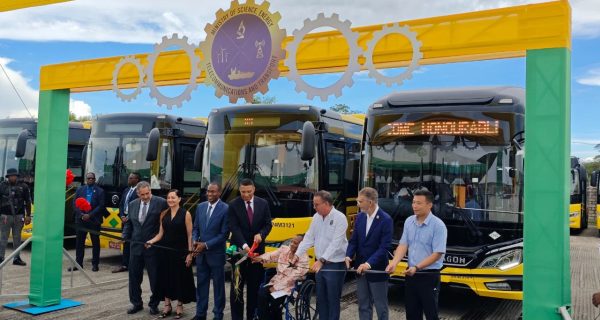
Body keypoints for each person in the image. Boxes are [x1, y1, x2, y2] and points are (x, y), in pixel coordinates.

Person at [385, 190, 447, 320]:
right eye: (413, 202)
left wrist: (417, 267)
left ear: (429, 205)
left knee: (431, 314)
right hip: (411, 275)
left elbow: (437, 254)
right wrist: (394, 263)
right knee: (412, 313)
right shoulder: (409, 221)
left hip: (428, 276)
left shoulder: (438, 226)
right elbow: (403, 245)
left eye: (419, 203)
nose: (414, 206)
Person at [293, 190, 348, 320]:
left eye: (316, 204)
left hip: (334, 265)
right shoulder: (316, 217)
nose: (314, 207)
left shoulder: (340, 218)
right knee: (321, 299)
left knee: (332, 299)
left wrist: (322, 260)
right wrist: (297, 254)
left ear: (327, 203)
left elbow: (336, 243)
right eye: (314, 204)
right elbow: (308, 238)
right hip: (320, 264)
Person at [146, 189, 196, 319]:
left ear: (179, 199)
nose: (170, 200)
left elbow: (190, 235)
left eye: (173, 198)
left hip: (180, 252)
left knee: (179, 278)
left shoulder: (186, 214)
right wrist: (151, 241)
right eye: (168, 198)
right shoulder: (164, 214)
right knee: (165, 277)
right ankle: (167, 305)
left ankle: (180, 305)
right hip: (165, 251)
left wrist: (190, 254)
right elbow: (160, 234)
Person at [228, 178, 273, 320]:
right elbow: (234, 228)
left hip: (257, 254)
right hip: (239, 253)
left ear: (253, 189)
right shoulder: (233, 205)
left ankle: (252, 317)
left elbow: (268, 224)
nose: (246, 195)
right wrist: (246, 246)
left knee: (254, 289)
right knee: (236, 289)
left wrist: (261, 234)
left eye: (248, 192)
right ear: (239, 190)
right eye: (242, 192)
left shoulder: (263, 203)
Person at [346, 187, 392, 320]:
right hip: (361, 269)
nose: (357, 204)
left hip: (377, 269)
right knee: (363, 305)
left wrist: (368, 264)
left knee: (381, 307)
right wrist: (349, 255)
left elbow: (384, 247)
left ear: (370, 202)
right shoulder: (360, 217)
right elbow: (354, 240)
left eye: (360, 201)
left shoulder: (385, 219)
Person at [122, 181, 168, 315]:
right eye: (143, 194)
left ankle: (154, 304)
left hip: (153, 247)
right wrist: (124, 235)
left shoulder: (161, 202)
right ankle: (136, 303)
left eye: (148, 193)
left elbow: (165, 223)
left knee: (155, 278)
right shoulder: (132, 204)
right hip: (135, 246)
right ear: (138, 194)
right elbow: (129, 224)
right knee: (134, 277)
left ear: (150, 191)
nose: (146, 196)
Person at [191, 182, 229, 320]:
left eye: (213, 192)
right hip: (201, 255)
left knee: (219, 286)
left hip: (216, 254)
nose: (210, 194)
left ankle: (218, 315)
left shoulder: (225, 209)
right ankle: (200, 314)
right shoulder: (200, 207)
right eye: (208, 191)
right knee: (201, 285)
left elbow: (224, 234)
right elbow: (196, 228)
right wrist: (195, 240)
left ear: (219, 193)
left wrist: (205, 245)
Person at [254, 234, 309, 320]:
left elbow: (293, 277)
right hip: (276, 281)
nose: (292, 244)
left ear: (302, 246)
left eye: (295, 243)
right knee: (261, 294)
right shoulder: (284, 250)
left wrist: (276, 287)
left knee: (274, 301)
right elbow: (271, 255)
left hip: (289, 286)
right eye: (292, 242)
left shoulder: (304, 259)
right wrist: (260, 258)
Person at [70, 172, 105, 272]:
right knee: (79, 243)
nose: (90, 180)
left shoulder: (100, 191)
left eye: (92, 178)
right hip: (81, 221)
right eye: (88, 178)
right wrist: (81, 215)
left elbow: (101, 206)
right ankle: (78, 264)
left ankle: (95, 264)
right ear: (86, 179)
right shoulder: (80, 189)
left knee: (95, 243)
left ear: (95, 179)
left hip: (94, 220)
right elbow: (75, 203)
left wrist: (90, 215)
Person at [0, 168, 32, 265]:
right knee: (3, 238)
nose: (12, 177)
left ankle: (16, 258)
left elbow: (28, 201)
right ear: (8, 177)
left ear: (17, 176)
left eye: (14, 175)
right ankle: (1, 257)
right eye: (11, 176)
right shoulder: (2, 186)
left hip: (19, 216)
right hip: (5, 216)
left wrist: (28, 215)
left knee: (17, 238)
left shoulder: (24, 186)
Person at [113, 172, 140, 273]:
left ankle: (133, 264)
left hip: (134, 221)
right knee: (125, 242)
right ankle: (125, 264)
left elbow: (138, 206)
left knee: (134, 243)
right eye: (129, 178)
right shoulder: (126, 190)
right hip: (124, 220)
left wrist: (129, 217)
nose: (128, 179)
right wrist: (122, 216)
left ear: (137, 180)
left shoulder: (139, 191)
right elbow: (121, 205)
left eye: (131, 178)